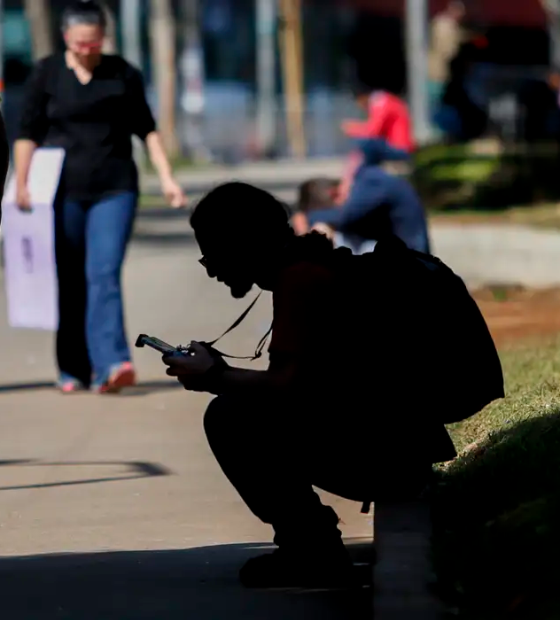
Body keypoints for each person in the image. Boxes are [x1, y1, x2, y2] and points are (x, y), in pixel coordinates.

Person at [161, 182, 473, 589]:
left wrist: (215, 377)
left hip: (388, 458)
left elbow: (288, 387)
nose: (211, 269)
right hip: (400, 449)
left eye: (212, 253)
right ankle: (311, 542)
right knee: (238, 406)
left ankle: (311, 549)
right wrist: (219, 374)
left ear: (241, 243)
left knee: (230, 416)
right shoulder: (307, 267)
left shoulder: (301, 279)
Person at [14, 0, 187, 394]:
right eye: (80, 44)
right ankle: (73, 367)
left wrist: (167, 178)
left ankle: (112, 362)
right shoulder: (47, 74)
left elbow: (147, 129)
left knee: (103, 274)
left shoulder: (123, 74)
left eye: (93, 43)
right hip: (61, 192)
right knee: (71, 279)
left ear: (103, 38)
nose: (87, 51)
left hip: (115, 188)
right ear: (66, 39)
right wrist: (22, 183)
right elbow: (28, 132)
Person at [306, 139, 430, 255]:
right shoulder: (379, 177)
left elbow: (347, 216)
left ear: (359, 157)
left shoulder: (372, 179)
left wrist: (310, 216)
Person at [428, 1, 467, 122]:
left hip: (435, 69)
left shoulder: (442, 23)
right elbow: (448, 50)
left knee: (434, 99)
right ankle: (430, 124)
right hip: (437, 71)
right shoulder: (446, 26)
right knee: (434, 100)